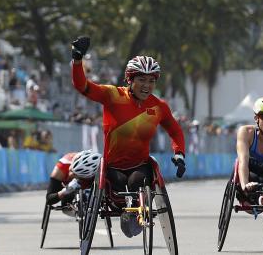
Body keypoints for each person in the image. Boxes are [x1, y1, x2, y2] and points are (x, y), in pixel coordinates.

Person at [70, 36, 185, 238]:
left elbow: (175, 130)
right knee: (121, 184)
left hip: (140, 164)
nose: (146, 85)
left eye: (151, 80)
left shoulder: (159, 107)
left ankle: (134, 216)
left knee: (137, 183)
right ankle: (128, 213)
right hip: (113, 166)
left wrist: (180, 154)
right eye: (141, 79)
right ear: (130, 79)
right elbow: (83, 86)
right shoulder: (112, 95)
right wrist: (78, 60)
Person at [45, 150, 101, 216]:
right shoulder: (62, 167)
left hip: (90, 181)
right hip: (66, 185)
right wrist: (65, 191)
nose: (71, 174)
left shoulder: (99, 170)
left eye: (76, 175)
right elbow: (49, 199)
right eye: (71, 171)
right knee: (66, 206)